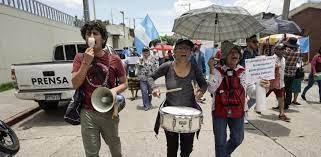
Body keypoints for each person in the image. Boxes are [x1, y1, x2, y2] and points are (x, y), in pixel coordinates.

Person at [71, 20, 127, 157]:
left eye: (95, 33)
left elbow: (124, 83)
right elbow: (75, 84)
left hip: (109, 111)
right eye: (88, 34)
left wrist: (114, 90)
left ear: (103, 38)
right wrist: (86, 62)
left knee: (114, 145)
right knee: (91, 152)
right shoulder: (79, 58)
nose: (91, 36)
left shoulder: (114, 59)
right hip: (88, 112)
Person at [207, 41, 270, 157]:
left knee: (237, 139)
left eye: (236, 52)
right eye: (231, 52)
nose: (234, 55)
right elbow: (211, 89)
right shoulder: (217, 71)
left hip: (238, 111)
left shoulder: (245, 72)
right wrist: (211, 69)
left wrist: (263, 87)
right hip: (219, 112)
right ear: (225, 56)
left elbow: (252, 92)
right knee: (220, 143)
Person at [149, 39, 208, 157]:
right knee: (171, 148)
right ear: (174, 52)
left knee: (187, 149)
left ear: (191, 52)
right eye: (180, 48)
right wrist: (154, 88)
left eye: (187, 48)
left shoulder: (194, 67)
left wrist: (201, 91)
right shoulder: (167, 66)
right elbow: (151, 77)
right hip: (170, 112)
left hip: (189, 113)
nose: (183, 51)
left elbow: (204, 84)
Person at [267, 44, 290, 122]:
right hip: (271, 83)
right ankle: (248, 110)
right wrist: (274, 68)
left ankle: (281, 114)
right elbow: (267, 71)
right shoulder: (271, 59)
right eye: (280, 49)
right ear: (275, 50)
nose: (282, 51)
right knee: (260, 97)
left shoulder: (283, 59)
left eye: (283, 49)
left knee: (281, 99)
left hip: (280, 83)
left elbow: (282, 70)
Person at [239, 35, 260, 123]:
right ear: (248, 42)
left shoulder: (255, 53)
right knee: (243, 97)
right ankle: (242, 114)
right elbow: (242, 66)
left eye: (256, 42)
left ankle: (245, 111)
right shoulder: (244, 53)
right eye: (254, 41)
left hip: (253, 77)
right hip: (244, 77)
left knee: (256, 96)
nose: (256, 43)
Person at [282, 37, 301, 110]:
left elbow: (276, 49)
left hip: (284, 73)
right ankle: (287, 104)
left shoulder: (286, 51)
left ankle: (282, 103)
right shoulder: (298, 52)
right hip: (292, 73)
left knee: (282, 89)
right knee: (289, 89)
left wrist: (282, 41)